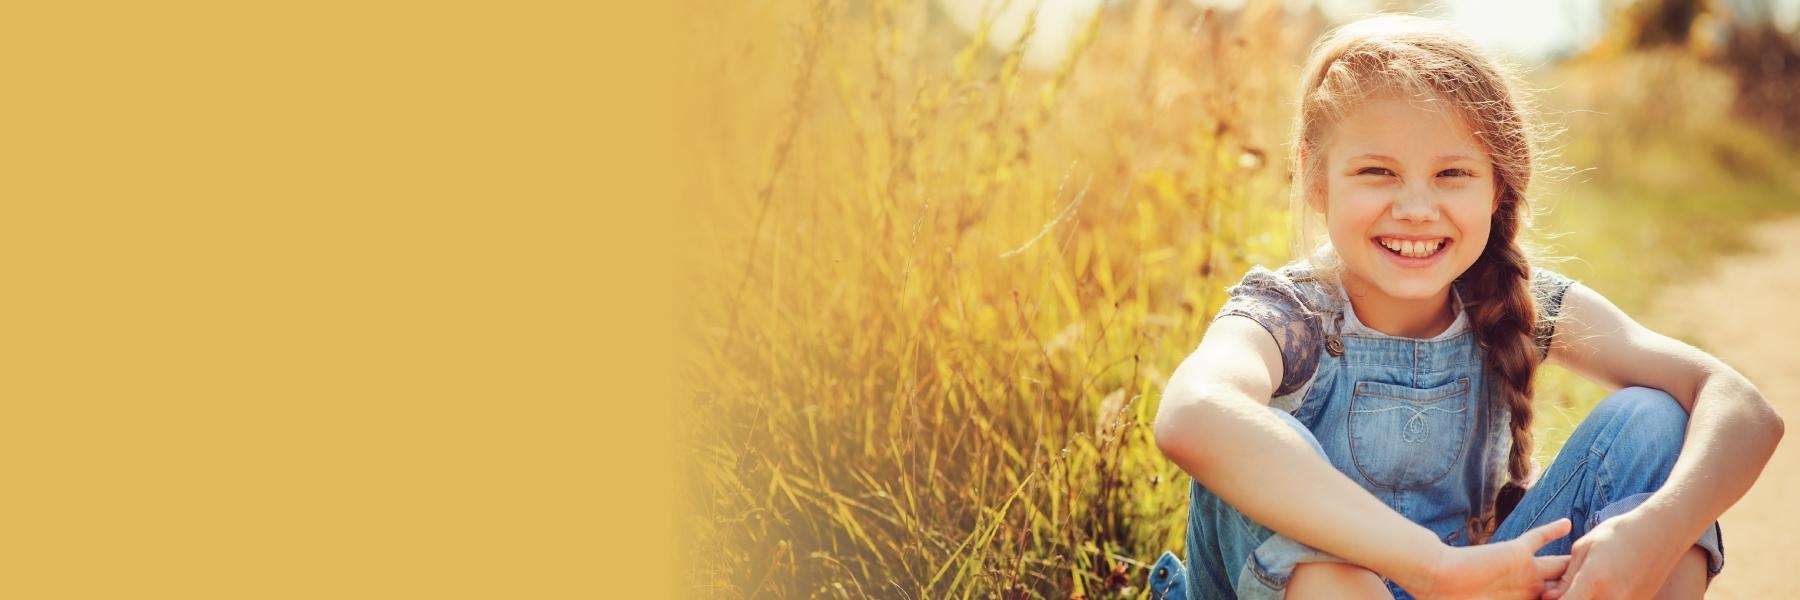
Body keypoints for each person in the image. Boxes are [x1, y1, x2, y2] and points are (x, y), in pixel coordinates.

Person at [1147, 14, 1784, 600]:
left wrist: (1659, 528)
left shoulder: (1514, 300)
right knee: (1254, 441)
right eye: (1376, 172)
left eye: (1452, 174)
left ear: (1497, 187)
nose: (1415, 208)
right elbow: (1192, 414)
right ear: (1316, 179)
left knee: (1653, 419)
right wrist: (1432, 567)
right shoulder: (1288, 317)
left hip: (1480, 587)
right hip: (1345, 586)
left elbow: (1743, 408)